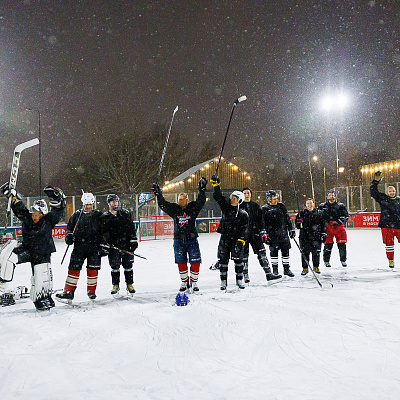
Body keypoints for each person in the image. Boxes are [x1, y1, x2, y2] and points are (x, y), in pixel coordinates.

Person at [0, 183, 66, 310]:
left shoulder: (48, 220)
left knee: (42, 277)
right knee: (8, 258)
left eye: (38, 214)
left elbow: (58, 211)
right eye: (34, 214)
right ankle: (2, 285)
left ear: (43, 214)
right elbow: (19, 208)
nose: (35, 217)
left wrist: (58, 199)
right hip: (27, 249)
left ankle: (43, 298)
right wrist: (12, 197)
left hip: (42, 252)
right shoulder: (27, 218)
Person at [152, 178, 207, 292]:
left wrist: (202, 190)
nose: (181, 201)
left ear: (187, 200)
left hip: (192, 239)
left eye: (183, 199)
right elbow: (163, 204)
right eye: (179, 199)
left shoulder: (192, 208)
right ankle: (184, 281)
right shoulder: (175, 209)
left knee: (195, 260)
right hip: (178, 240)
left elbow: (201, 201)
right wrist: (158, 194)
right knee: (181, 261)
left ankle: (194, 281)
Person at [56, 192, 103, 301]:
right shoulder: (76, 216)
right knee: (73, 269)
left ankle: (91, 291)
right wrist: (68, 237)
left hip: (94, 247)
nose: (88, 207)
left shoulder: (98, 215)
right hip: (79, 247)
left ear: (93, 204)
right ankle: (68, 291)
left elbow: (105, 231)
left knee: (93, 270)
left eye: (90, 204)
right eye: (86, 205)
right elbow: (69, 229)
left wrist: (104, 243)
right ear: (83, 204)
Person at [211, 175, 249, 290]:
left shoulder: (243, 214)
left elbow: (245, 229)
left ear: (239, 200)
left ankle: (239, 279)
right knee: (223, 260)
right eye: (231, 197)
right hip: (225, 239)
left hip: (237, 240)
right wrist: (216, 186)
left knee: (238, 260)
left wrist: (241, 240)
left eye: (234, 198)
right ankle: (223, 281)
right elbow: (218, 197)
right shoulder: (226, 208)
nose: (231, 199)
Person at [241, 187, 281, 282]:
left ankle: (268, 274)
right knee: (244, 255)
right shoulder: (239, 206)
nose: (247, 195)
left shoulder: (255, 206)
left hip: (255, 234)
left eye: (248, 193)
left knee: (262, 254)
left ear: (251, 194)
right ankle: (245, 275)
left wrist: (262, 231)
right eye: (245, 193)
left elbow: (261, 220)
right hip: (243, 235)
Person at [100, 194, 138, 295]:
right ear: (109, 204)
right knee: (115, 266)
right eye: (112, 202)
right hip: (113, 247)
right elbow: (103, 232)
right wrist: (105, 244)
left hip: (126, 245)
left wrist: (133, 240)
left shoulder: (125, 214)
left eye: (116, 201)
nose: (115, 204)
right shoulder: (105, 217)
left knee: (128, 265)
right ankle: (115, 285)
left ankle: (129, 284)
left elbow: (131, 228)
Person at [261, 190, 295, 277]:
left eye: (276, 198)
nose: (276, 200)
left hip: (283, 233)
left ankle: (286, 269)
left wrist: (291, 229)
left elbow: (287, 218)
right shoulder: (264, 209)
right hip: (272, 235)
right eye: (273, 199)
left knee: (286, 252)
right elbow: (262, 223)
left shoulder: (281, 206)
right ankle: (275, 270)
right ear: (269, 199)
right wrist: (264, 233)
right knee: (274, 253)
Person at [370, 171, 400, 268]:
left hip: (398, 225)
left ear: (396, 191)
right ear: (387, 192)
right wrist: (375, 182)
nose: (392, 192)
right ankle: (391, 261)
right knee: (389, 245)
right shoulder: (383, 198)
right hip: (386, 226)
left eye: (393, 191)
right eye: (390, 191)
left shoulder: (399, 200)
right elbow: (373, 192)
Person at [295, 198, 327, 275]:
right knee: (304, 253)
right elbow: (298, 225)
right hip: (304, 237)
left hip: (316, 236)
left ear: (313, 203)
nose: (309, 205)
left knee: (316, 252)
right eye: (308, 203)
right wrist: (300, 222)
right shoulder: (301, 214)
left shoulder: (319, 213)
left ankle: (316, 266)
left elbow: (323, 224)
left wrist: (323, 233)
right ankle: (305, 268)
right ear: (306, 205)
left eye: (310, 203)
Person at [318, 189, 348, 268]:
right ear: (327, 196)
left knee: (342, 244)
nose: (331, 196)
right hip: (327, 227)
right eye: (330, 195)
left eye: (333, 195)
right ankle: (326, 261)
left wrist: (339, 221)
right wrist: (324, 223)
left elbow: (345, 216)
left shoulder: (341, 206)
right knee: (328, 244)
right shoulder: (322, 206)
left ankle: (343, 260)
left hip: (338, 227)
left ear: (335, 196)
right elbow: (318, 216)